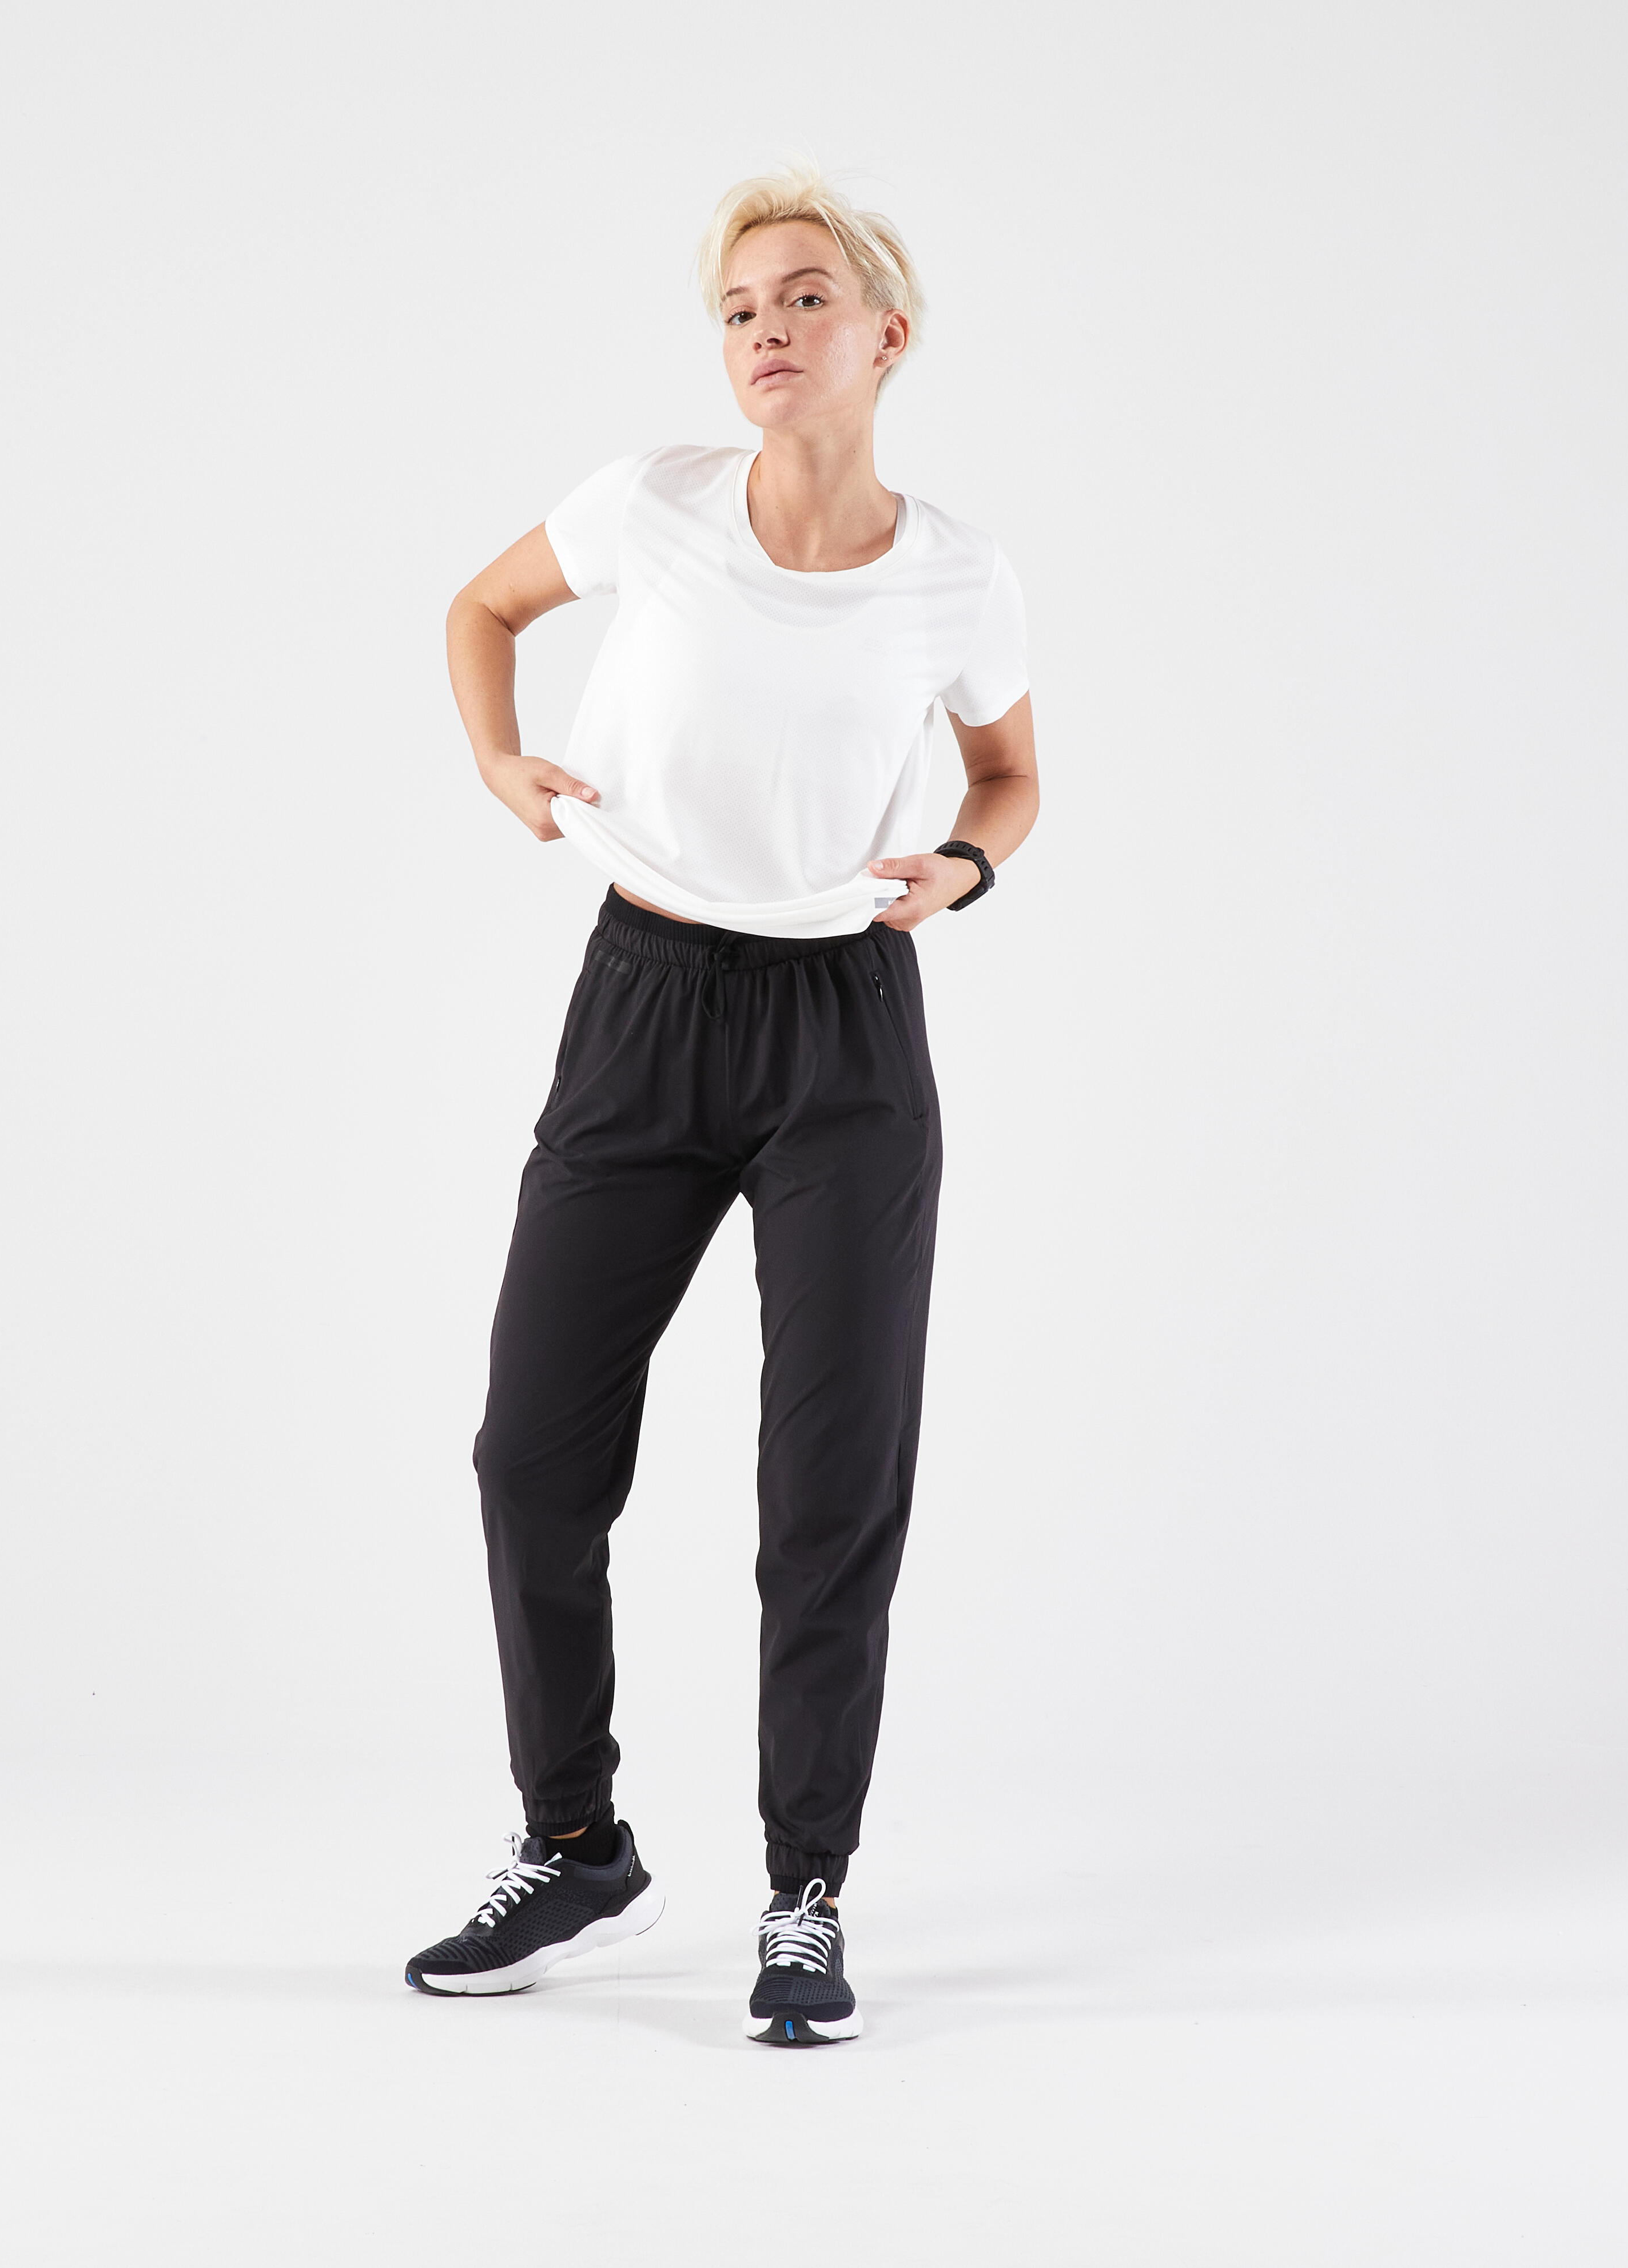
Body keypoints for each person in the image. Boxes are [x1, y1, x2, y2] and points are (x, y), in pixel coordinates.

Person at [404, 162, 1038, 2046]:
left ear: (887, 335)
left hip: (847, 1036)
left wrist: (965, 868)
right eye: (742, 307)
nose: (767, 329)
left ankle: (804, 1895)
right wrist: (499, 760)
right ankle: (574, 1844)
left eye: (805, 297)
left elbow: (1010, 775)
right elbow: (483, 607)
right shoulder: (654, 503)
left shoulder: (957, 574)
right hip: (644, 1004)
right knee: (532, 1455)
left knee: (828, 1493)